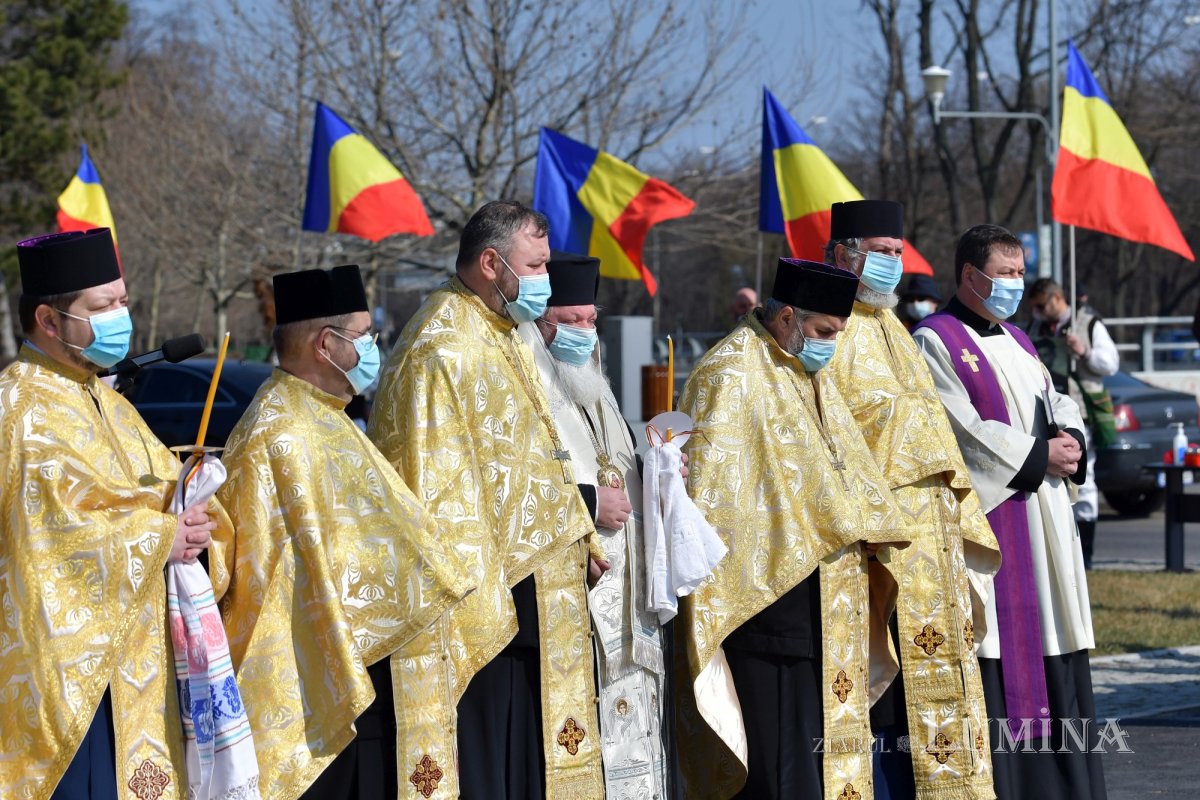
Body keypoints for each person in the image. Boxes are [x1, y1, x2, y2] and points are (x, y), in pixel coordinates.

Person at [368, 201, 602, 798]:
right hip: (483, 611)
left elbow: (534, 459)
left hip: (534, 597)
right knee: (487, 772)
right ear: (492, 263)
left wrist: (578, 532)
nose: (546, 279)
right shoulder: (440, 348)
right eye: (537, 265)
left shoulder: (500, 331)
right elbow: (436, 491)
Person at [211, 265, 472, 799]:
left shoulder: (324, 414)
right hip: (315, 684)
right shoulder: (276, 433)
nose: (372, 347)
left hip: (362, 669)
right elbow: (263, 578)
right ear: (326, 344)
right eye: (364, 335)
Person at [0, 228, 222, 799]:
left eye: (123, 301)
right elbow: (45, 538)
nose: (120, 317)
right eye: (102, 306)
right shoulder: (19, 408)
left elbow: (162, 491)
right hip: (68, 677)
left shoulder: (107, 400)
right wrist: (161, 537)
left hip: (137, 659)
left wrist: (195, 514)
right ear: (49, 321)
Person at [676, 257, 907, 799]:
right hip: (769, 612)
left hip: (827, 603)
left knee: (820, 767)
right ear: (786, 317)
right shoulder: (728, 373)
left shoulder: (807, 371)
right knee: (782, 771)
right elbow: (714, 499)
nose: (831, 345)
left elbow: (843, 467)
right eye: (824, 331)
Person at [913, 224, 1107, 800]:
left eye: (1021, 273)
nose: (1015, 285)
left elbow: (1056, 396)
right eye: (1004, 274)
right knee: (1003, 649)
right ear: (970, 275)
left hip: (1047, 518)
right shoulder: (935, 340)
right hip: (1000, 521)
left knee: (1056, 639)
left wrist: (1070, 437)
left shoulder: (1020, 339)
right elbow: (959, 430)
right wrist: (1039, 456)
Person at [824, 200, 1000, 799]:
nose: (893, 263)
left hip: (933, 543)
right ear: (842, 254)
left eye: (898, 252)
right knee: (884, 694)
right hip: (881, 543)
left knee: (933, 688)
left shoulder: (893, 326)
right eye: (881, 252)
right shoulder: (828, 331)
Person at [517, 250, 672, 798]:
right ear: (540, 323)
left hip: (627, 593)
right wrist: (585, 504)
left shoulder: (596, 383)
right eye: (570, 320)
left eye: (590, 320)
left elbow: (617, 463)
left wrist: (658, 471)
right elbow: (519, 482)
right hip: (574, 595)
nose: (584, 332)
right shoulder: (526, 384)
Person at [1025, 278, 1119, 569]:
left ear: (1056, 299)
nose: (1038, 312)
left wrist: (1085, 352)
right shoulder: (1034, 327)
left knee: (1083, 479)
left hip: (1081, 415)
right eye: (1034, 308)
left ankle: (1086, 554)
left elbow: (1111, 364)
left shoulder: (1088, 323)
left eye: (1042, 306)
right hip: (1044, 413)